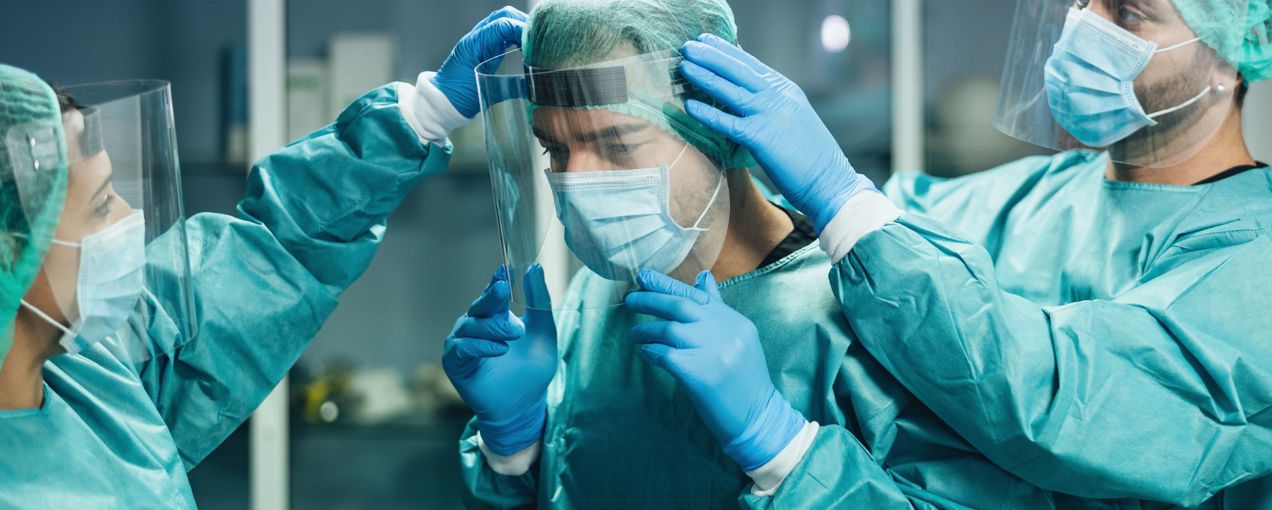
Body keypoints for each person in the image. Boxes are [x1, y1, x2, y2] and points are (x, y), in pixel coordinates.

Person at [440, 0, 1265, 508]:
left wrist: (780, 447)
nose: (1081, 26)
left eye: (1128, 11)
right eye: (555, 152)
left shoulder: (1250, 265)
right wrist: (517, 443)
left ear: (1238, 44)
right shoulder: (992, 206)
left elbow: (1059, 402)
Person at [0, 8, 523, 507]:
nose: (131, 219)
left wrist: (420, 116)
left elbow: (271, 253)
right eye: (102, 204)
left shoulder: (94, 371)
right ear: (5, 256)